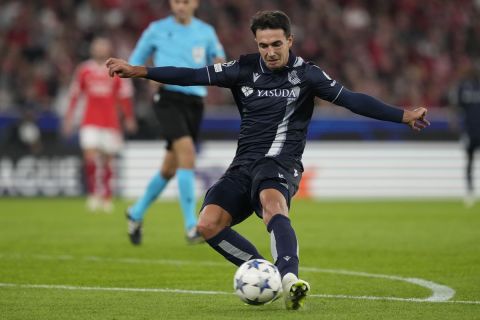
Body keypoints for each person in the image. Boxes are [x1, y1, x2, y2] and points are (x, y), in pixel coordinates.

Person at [106, 10, 430, 310]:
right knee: (206, 224)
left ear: (290, 40)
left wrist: (403, 115)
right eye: (263, 45)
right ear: (256, 44)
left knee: (272, 204)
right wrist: (141, 71)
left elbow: (353, 100)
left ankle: (289, 278)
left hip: (280, 162)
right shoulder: (243, 68)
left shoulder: (308, 75)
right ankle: (266, 275)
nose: (270, 51)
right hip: (242, 165)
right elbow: (192, 75)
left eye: (277, 44)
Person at [126, 0, 226, 245]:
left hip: (195, 101)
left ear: (195, 4)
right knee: (188, 154)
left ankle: (136, 212)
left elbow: (219, 58)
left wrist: (220, 68)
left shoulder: (206, 31)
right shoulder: (156, 29)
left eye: (186, 1)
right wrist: (148, 76)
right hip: (167, 97)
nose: (181, 6)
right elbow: (134, 61)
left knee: (170, 168)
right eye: (176, 1)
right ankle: (192, 226)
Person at [64, 37, 137, 213]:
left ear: (108, 49)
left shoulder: (117, 68)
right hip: (89, 120)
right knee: (90, 158)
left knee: (107, 161)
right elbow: (75, 94)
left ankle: (106, 196)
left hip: (111, 122)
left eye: (103, 47)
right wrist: (69, 118)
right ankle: (93, 194)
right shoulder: (84, 69)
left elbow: (125, 96)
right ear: (92, 49)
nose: (99, 49)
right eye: (97, 47)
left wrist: (129, 117)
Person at [451, 60, 480, 208]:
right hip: (470, 130)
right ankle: (469, 191)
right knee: (469, 160)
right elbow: (456, 107)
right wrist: (455, 122)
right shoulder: (464, 87)